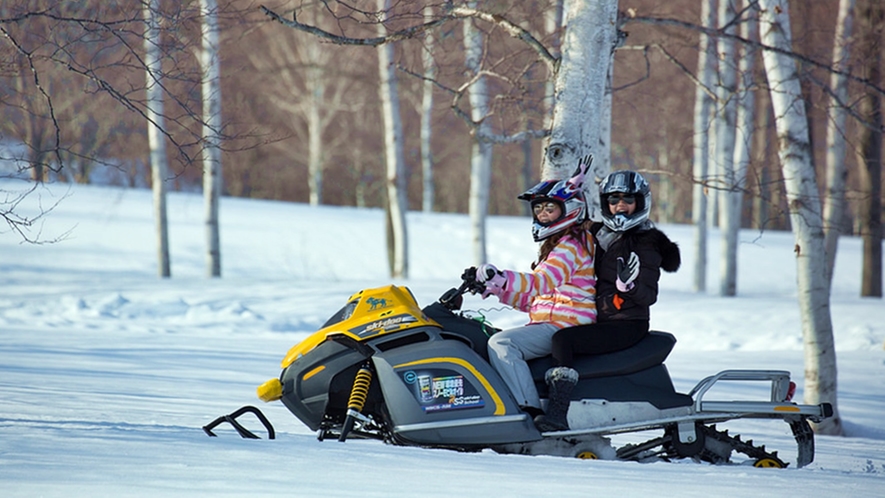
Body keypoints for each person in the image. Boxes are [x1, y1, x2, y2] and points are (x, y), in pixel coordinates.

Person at [532, 169, 681, 432]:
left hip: (626, 324)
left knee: (562, 340)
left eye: (627, 199)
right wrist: (569, 189)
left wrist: (629, 286)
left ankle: (557, 412)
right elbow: (567, 219)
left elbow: (649, 296)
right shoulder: (598, 233)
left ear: (640, 202)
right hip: (599, 317)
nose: (620, 205)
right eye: (613, 200)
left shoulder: (647, 242)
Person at [473, 155, 597, 420]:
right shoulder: (559, 246)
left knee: (502, 343)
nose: (542, 214)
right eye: (538, 209)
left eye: (549, 208)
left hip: (567, 326)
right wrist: (500, 290)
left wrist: (502, 277)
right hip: (555, 322)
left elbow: (540, 283)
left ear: (569, 210)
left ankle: (527, 411)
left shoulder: (570, 247)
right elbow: (540, 298)